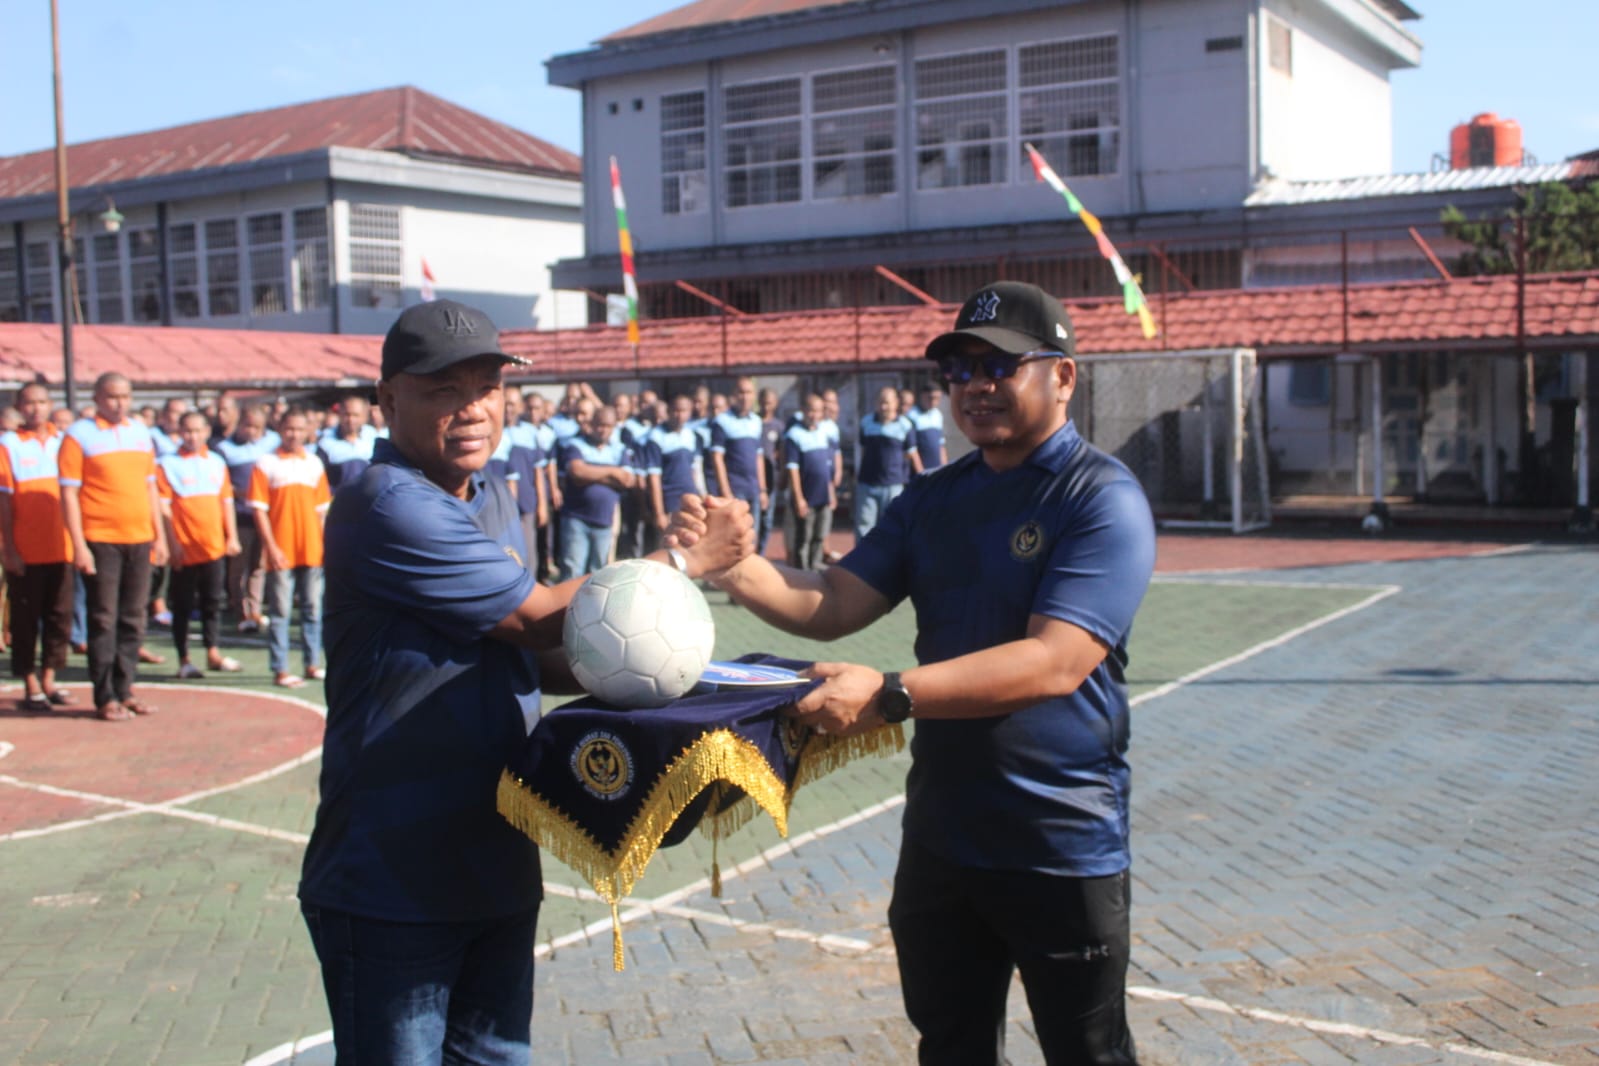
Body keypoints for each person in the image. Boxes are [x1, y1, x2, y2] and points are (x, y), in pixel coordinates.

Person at [681, 281, 1156, 1064]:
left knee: (1090, 1055)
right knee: (950, 1046)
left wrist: (891, 694)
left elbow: (1054, 661)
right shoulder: (931, 499)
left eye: (999, 367)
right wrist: (732, 569)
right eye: (959, 371)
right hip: (944, 834)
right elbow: (834, 599)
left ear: (1062, 375)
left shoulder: (1099, 497)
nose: (976, 387)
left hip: (1059, 840)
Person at [298, 298, 750, 1065]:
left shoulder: (494, 496)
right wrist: (684, 566)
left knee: (496, 1058)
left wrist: (677, 681)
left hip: (494, 850)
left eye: (485, 386)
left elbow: (535, 656)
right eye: (442, 389)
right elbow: (539, 619)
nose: (471, 409)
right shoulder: (386, 504)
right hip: (392, 871)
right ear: (387, 398)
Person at [59, 372, 170, 721]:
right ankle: (105, 696)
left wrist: (160, 536)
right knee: (103, 618)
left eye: (125, 396)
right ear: (96, 397)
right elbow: (69, 493)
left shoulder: (140, 433)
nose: (119, 403)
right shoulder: (79, 436)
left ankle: (126, 689)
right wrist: (79, 545)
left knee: (134, 618)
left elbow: (151, 486)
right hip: (101, 539)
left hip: (140, 538)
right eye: (111, 396)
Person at [0, 383, 75, 709]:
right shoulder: (8, 445)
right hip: (26, 549)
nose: (36, 409)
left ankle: (49, 679)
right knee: (25, 619)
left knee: (59, 617)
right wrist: (8, 548)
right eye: (29, 403)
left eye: (42, 402)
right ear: (19, 406)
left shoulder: (64, 442)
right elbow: (3, 503)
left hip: (63, 547)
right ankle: (30, 683)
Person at [249, 410, 331, 688]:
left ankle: (312, 663)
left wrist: (325, 546)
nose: (294, 434)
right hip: (281, 550)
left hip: (311, 550)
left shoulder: (314, 464)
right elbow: (260, 511)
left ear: (308, 431)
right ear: (279, 429)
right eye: (289, 429)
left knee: (312, 610)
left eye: (299, 429)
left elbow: (322, 511)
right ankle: (280, 669)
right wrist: (270, 547)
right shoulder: (266, 463)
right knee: (281, 612)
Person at [156, 412, 243, 678]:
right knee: (182, 604)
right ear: (179, 432)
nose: (192, 436)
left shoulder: (216, 461)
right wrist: (172, 544)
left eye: (197, 431)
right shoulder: (167, 464)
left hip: (213, 545)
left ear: (206, 432)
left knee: (212, 601)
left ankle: (212, 651)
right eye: (187, 431)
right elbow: (163, 506)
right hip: (184, 547)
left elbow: (225, 501)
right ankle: (184, 658)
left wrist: (232, 536)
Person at [214, 405, 279, 631]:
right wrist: (245, 493)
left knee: (259, 565)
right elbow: (222, 485)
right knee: (239, 567)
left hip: (264, 517)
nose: (251, 431)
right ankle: (240, 609)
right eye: (247, 426)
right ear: (239, 424)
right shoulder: (224, 448)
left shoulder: (272, 444)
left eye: (257, 427)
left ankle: (255, 609)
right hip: (239, 516)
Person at [556, 405, 637, 580]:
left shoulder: (619, 449)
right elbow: (577, 472)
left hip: (604, 520)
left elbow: (628, 480)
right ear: (591, 424)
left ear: (614, 427)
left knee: (599, 573)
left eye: (608, 426)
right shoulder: (575, 445)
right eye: (599, 425)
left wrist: (592, 472)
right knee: (572, 570)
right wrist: (612, 472)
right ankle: (566, 607)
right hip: (576, 518)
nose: (603, 430)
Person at [854, 385, 919, 539]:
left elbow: (912, 455)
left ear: (896, 403)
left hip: (893, 486)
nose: (883, 407)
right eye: (880, 402)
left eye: (887, 402)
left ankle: (889, 562)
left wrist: (922, 479)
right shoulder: (866, 422)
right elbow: (863, 451)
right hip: (867, 484)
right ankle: (862, 562)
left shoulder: (905, 425)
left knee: (892, 527)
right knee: (864, 526)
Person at [709, 376, 768, 542]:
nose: (745, 396)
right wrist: (726, 491)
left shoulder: (756, 421)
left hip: (753, 489)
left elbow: (759, 457)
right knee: (735, 538)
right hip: (735, 489)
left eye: (748, 392)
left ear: (754, 395)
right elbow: (717, 458)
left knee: (752, 536)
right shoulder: (722, 421)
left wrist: (762, 489)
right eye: (741, 392)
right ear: (734, 395)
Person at [782, 394, 836, 571]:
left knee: (820, 537)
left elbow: (827, 468)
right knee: (803, 539)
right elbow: (792, 470)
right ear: (804, 411)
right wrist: (799, 498)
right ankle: (802, 576)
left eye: (818, 411)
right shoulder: (794, 435)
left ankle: (814, 572)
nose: (814, 414)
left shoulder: (823, 433)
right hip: (806, 498)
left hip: (823, 497)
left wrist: (831, 493)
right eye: (811, 410)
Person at [643, 394, 704, 541]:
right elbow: (654, 478)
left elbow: (695, 471)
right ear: (668, 411)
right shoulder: (656, 437)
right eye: (675, 411)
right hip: (669, 503)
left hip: (690, 502)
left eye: (684, 411)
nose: (679, 415)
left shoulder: (691, 436)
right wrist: (659, 513)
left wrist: (701, 496)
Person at [316, 395, 376, 494]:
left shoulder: (373, 437)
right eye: (347, 414)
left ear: (365, 417)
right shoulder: (325, 442)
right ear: (339, 414)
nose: (350, 420)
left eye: (355, 415)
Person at [758, 387, 784, 555]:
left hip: (771, 479)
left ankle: (761, 552)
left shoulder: (779, 426)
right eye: (764, 402)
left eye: (770, 403)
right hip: (754, 480)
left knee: (767, 520)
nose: (767, 406)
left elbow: (781, 452)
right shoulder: (754, 423)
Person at [908, 382, 950, 471]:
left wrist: (945, 468)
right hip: (920, 473)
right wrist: (921, 473)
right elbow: (912, 450)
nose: (933, 402)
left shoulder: (937, 414)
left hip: (937, 471)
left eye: (937, 398)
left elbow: (941, 445)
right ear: (922, 396)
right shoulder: (911, 415)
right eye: (930, 398)